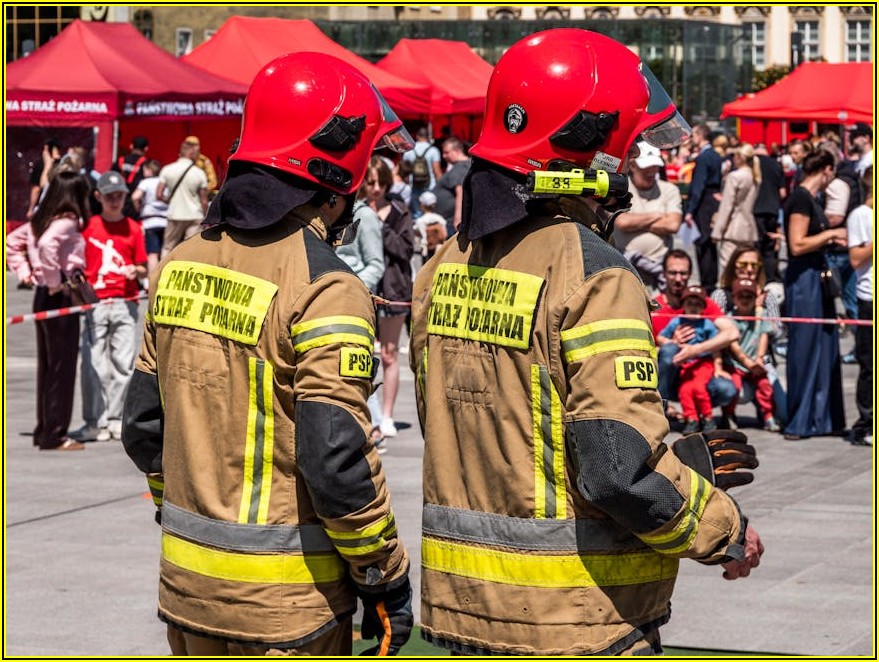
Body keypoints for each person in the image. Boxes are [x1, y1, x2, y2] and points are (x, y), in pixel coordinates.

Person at [409, 28, 762, 656]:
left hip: (456, 615)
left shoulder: (441, 266)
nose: (626, 172)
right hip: (573, 621)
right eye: (623, 154)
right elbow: (615, 473)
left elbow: (494, 433)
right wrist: (722, 525)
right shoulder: (595, 273)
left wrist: (672, 467)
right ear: (586, 155)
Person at [121, 52, 414, 656]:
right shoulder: (328, 287)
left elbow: (143, 428)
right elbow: (336, 462)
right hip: (287, 610)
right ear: (336, 176)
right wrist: (382, 574)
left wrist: (183, 506)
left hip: (187, 596)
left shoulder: (181, 264)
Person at [6, 168, 90, 451]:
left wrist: (27, 272)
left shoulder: (41, 219)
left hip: (43, 294)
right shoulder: (66, 221)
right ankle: (56, 433)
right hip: (60, 294)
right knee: (62, 367)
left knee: (49, 366)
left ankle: (45, 427)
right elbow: (46, 246)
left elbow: (11, 244)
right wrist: (54, 280)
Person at [71, 171, 147, 443]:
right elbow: (76, 262)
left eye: (119, 196)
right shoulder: (88, 227)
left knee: (123, 364)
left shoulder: (134, 228)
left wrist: (135, 272)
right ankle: (94, 421)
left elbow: (142, 266)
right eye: (109, 196)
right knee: (93, 364)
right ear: (98, 197)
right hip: (97, 302)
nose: (115, 201)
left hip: (126, 302)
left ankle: (114, 419)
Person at [782, 150, 847, 440]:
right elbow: (796, 244)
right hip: (803, 280)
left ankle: (822, 418)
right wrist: (832, 234)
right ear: (827, 169)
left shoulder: (812, 199)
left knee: (824, 344)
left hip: (815, 279)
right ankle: (800, 420)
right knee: (806, 347)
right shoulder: (801, 197)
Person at [654, 250, 740, 423]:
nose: (678, 278)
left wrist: (695, 349)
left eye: (683, 273)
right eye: (672, 273)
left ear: (690, 274)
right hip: (668, 377)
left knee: (727, 390)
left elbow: (732, 332)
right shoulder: (655, 306)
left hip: (699, 372)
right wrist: (672, 343)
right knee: (669, 350)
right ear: (663, 274)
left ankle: (698, 411)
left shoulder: (701, 302)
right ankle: (661, 408)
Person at [364, 156, 414, 440]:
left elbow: (406, 249)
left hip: (394, 290)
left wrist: (381, 227)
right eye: (370, 183)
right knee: (366, 351)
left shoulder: (398, 211)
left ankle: (387, 415)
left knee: (389, 354)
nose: (375, 189)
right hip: (368, 289)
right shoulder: (357, 209)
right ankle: (369, 412)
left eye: (380, 183)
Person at [337, 183, 387, 452]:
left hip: (352, 300)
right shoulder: (326, 214)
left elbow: (375, 264)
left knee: (358, 362)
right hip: (329, 301)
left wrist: (351, 288)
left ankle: (374, 426)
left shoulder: (364, 216)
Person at [612, 140, 682, 292]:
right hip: (625, 264)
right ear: (632, 166)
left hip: (658, 266)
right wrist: (658, 215)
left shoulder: (669, 190)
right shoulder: (622, 189)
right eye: (646, 167)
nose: (651, 171)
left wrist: (636, 221)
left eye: (654, 166)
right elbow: (622, 222)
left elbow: (673, 225)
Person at [720, 278, 780, 432]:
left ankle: (768, 416)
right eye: (741, 296)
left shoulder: (761, 315)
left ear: (755, 298)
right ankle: (729, 414)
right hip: (736, 363)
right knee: (734, 386)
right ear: (733, 298)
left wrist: (759, 359)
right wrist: (747, 363)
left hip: (756, 361)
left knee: (765, 387)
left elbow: (763, 336)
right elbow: (733, 345)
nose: (745, 300)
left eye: (749, 297)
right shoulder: (729, 318)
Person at [659, 286, 721, 433]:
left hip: (702, 364)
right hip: (685, 365)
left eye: (697, 304)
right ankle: (691, 419)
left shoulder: (707, 324)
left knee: (699, 388)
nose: (693, 307)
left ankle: (708, 418)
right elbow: (660, 337)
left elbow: (715, 348)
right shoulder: (677, 321)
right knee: (685, 391)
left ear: (703, 307)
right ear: (683, 305)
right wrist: (673, 343)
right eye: (689, 303)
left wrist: (718, 367)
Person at [711, 246, 784, 357]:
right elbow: (714, 329)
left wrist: (761, 313)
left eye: (754, 265)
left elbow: (778, 333)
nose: (749, 269)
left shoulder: (767, 297)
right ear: (733, 266)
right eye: (743, 264)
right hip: (729, 358)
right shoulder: (721, 295)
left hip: (761, 358)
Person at [846, 167, 873, 446]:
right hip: (869, 297)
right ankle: (865, 423)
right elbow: (856, 258)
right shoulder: (860, 216)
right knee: (869, 365)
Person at [684, 123, 724, 291]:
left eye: (694, 135)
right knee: (710, 244)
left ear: (701, 136)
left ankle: (707, 284)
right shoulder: (715, 155)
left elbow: (698, 186)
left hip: (704, 203)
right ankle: (711, 280)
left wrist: (690, 211)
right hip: (713, 200)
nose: (692, 138)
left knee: (703, 243)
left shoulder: (703, 157)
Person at [711, 143, 760, 275]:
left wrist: (717, 231)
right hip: (749, 226)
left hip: (733, 227)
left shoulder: (735, 176)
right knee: (746, 267)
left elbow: (727, 206)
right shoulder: (755, 176)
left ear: (739, 157)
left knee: (728, 268)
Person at [156, 140, 208, 257]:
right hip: (194, 215)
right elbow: (204, 201)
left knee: (167, 247)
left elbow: (158, 194)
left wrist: (169, 201)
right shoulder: (199, 173)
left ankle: (163, 272)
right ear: (190, 154)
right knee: (191, 249)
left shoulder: (167, 169)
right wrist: (207, 218)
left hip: (174, 214)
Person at [752, 144, 786, 283]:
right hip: (772, 210)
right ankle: (771, 279)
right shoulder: (776, 164)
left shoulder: (752, 164)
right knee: (770, 249)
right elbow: (782, 193)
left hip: (755, 210)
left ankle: (758, 277)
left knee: (756, 246)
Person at [130, 159, 168, 278]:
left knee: (152, 254)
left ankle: (153, 283)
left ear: (148, 170)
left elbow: (135, 196)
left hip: (150, 221)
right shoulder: (164, 182)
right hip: (165, 220)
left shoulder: (145, 182)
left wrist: (137, 208)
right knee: (165, 252)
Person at [402, 127, 443, 217]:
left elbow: (404, 171)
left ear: (417, 136)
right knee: (429, 212)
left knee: (417, 212)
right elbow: (437, 171)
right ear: (428, 137)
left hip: (414, 185)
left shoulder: (409, 150)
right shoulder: (433, 150)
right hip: (430, 186)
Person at [433, 136, 470, 235]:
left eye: (446, 152)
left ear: (457, 151)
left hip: (451, 223)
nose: (444, 156)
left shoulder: (460, 167)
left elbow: (460, 192)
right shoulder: (464, 165)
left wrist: (458, 220)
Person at [112, 135, 150, 219]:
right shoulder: (147, 164)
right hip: (136, 202)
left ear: (131, 146)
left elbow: (111, 177)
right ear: (146, 148)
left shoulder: (120, 160)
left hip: (117, 199)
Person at [26, 138, 62, 220]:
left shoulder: (40, 165)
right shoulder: (63, 165)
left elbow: (37, 188)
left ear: (46, 149)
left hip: (44, 207)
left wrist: (31, 209)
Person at [412, 190, 447, 265]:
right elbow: (444, 234)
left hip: (426, 251)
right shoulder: (440, 219)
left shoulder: (420, 221)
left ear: (422, 205)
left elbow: (416, 232)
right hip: (438, 249)